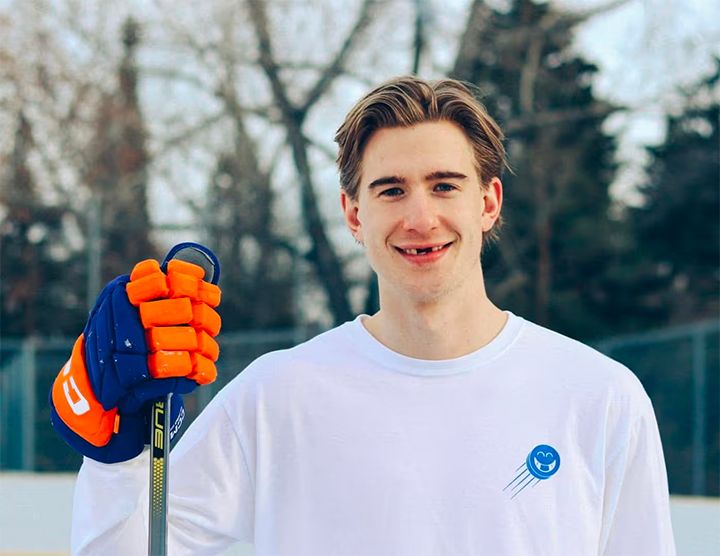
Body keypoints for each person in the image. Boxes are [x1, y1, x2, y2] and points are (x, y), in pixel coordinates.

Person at [51, 76, 676, 555]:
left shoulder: (599, 396)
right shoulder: (278, 395)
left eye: (445, 184)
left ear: (488, 202)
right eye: (391, 189)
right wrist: (120, 458)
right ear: (354, 214)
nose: (420, 217)